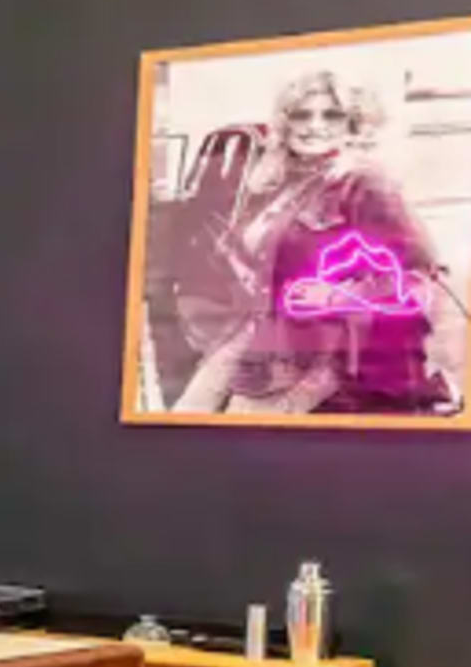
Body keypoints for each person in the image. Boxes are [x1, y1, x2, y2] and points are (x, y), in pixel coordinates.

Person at [164, 67, 461, 418]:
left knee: (234, 436)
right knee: (184, 419)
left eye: (331, 115)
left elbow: (419, 282)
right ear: (286, 122)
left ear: (354, 124)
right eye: (301, 114)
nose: (313, 125)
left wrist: (335, 297)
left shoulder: (365, 182)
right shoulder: (284, 180)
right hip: (257, 338)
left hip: (319, 355)